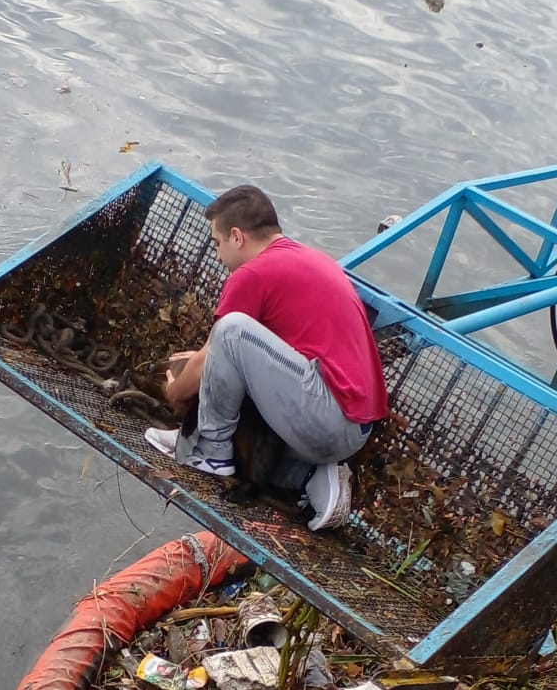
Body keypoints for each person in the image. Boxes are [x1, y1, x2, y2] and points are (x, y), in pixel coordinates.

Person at [145, 184, 388, 531]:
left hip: (327, 419)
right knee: (230, 345)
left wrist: (173, 392)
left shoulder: (252, 274)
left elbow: (216, 348)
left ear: (237, 237)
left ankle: (207, 450)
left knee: (231, 329)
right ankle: (315, 478)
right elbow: (229, 356)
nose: (217, 255)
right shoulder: (306, 259)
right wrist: (209, 361)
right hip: (349, 427)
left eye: (217, 244)